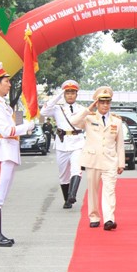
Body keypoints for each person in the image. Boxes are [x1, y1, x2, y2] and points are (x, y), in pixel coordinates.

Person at [0, 62, 34, 247]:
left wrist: (27, 123)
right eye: (6, 81)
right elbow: (5, 130)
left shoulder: (3, 105)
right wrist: (26, 126)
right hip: (2, 150)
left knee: (1, 194)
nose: (9, 84)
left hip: (9, 151)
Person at [69, 86, 125, 229]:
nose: (105, 105)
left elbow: (120, 144)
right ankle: (94, 216)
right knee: (93, 190)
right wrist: (89, 109)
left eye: (107, 102)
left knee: (109, 190)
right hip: (92, 160)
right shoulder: (88, 118)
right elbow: (73, 121)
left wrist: (121, 163)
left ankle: (109, 219)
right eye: (102, 102)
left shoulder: (116, 121)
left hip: (110, 161)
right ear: (97, 103)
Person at [40, 80, 85, 209]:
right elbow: (43, 112)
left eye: (72, 92)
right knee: (63, 175)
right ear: (64, 94)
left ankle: (72, 194)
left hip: (77, 142)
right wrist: (58, 96)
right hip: (62, 143)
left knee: (76, 169)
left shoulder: (81, 109)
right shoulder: (57, 108)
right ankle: (67, 199)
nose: (70, 95)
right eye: (67, 93)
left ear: (76, 94)